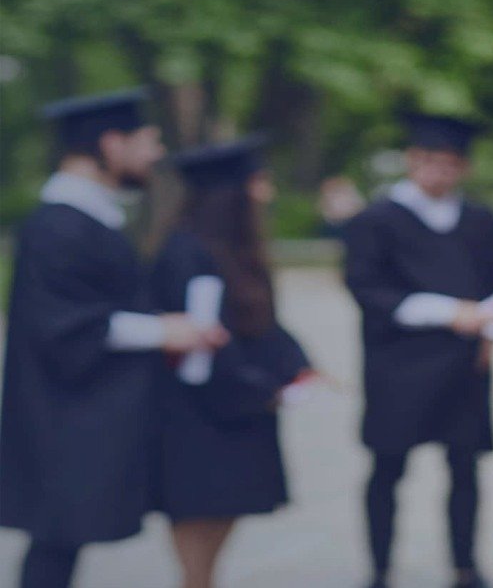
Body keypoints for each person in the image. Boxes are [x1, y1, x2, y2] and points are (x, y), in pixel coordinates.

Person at [0, 89, 226, 588]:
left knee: (60, 541)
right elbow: (63, 324)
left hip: (75, 408)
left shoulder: (89, 217)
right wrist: (163, 330)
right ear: (110, 143)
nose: (156, 154)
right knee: (55, 540)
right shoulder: (58, 225)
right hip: (59, 411)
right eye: (147, 142)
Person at [342, 111, 493, 588]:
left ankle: (465, 566)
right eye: (429, 162)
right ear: (410, 161)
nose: (438, 172)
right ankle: (379, 568)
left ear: (463, 168)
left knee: (465, 464)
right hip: (398, 363)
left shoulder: (481, 222)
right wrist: (448, 312)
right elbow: (367, 289)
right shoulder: (377, 220)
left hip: (464, 364)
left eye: (449, 164)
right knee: (387, 465)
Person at [150, 137, 317, 588]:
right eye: (258, 182)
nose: (266, 193)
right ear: (231, 194)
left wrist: (297, 365)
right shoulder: (186, 252)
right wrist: (261, 389)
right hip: (199, 415)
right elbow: (207, 341)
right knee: (199, 520)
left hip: (238, 409)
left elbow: (261, 322)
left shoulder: (237, 251)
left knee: (223, 516)